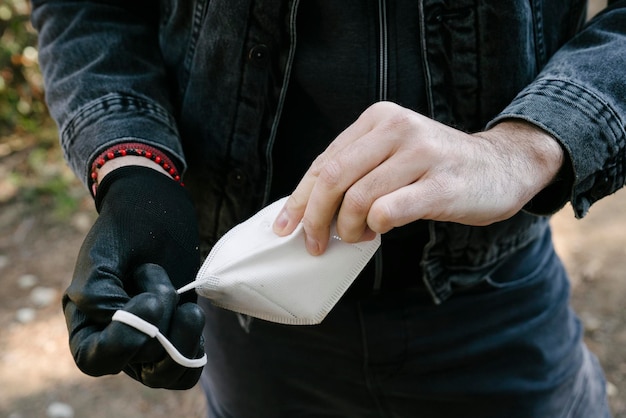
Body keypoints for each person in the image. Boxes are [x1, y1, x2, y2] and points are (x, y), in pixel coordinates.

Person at [30, 1, 623, 416]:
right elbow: (90, 8)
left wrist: (523, 148)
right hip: (250, 318)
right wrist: (138, 178)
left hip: (493, 301)